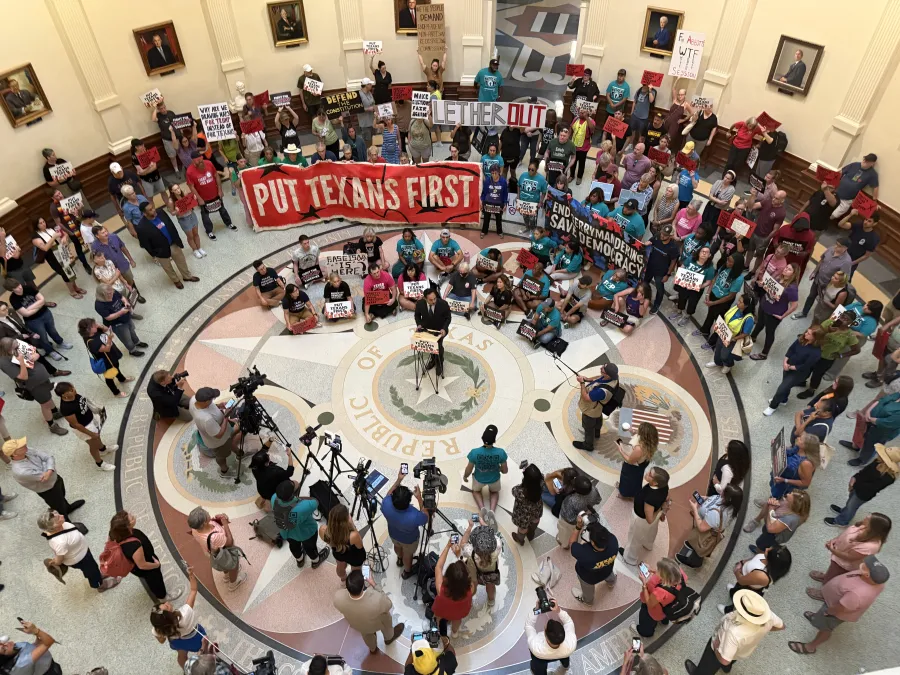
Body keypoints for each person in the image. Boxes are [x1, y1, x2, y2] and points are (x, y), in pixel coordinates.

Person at [789, 555, 888, 656]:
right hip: (833, 601)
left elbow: (840, 608)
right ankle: (816, 618)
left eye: (866, 566)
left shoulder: (857, 594)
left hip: (834, 611)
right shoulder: (876, 581)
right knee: (821, 617)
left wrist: (828, 611)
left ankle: (810, 647)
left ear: (867, 574)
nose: (864, 563)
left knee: (825, 628)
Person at [686, 590, 784, 675]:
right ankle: (726, 669)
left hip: (719, 649)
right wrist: (765, 629)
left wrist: (716, 649)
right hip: (743, 650)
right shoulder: (768, 616)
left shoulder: (733, 631)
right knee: (732, 658)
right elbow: (781, 626)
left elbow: (724, 660)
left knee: (708, 666)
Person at [808, 511, 891, 604]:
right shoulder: (864, 527)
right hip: (838, 556)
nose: (865, 518)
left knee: (834, 577)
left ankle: (824, 594)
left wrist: (832, 550)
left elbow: (849, 557)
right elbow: (846, 534)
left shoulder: (870, 546)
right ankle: (826, 577)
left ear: (874, 527)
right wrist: (835, 541)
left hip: (843, 564)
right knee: (832, 571)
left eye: (868, 519)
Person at [39, 509, 119, 592]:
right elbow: (59, 559)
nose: (62, 515)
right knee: (91, 571)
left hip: (82, 551)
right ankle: (100, 585)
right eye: (58, 518)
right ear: (54, 526)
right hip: (79, 559)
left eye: (58, 514)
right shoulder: (60, 542)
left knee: (93, 568)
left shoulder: (62, 525)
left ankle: (98, 575)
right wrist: (56, 561)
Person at [0, 339, 68, 435]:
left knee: (48, 397)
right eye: (16, 347)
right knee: (45, 404)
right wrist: (22, 362)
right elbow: (23, 377)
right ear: (8, 349)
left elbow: (34, 353)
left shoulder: (17, 347)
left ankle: (55, 412)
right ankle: (52, 425)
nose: (19, 347)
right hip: (34, 385)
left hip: (42, 377)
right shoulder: (4, 362)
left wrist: (34, 356)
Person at [109, 509, 178, 602]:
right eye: (132, 518)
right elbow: (142, 565)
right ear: (127, 526)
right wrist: (156, 565)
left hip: (137, 563)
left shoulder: (116, 534)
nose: (134, 516)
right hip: (146, 566)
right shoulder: (134, 546)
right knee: (155, 580)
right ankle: (163, 597)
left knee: (152, 578)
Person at [3, 438, 84, 516]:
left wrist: (48, 469)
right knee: (58, 507)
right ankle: (67, 524)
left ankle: (68, 508)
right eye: (20, 447)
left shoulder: (27, 450)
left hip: (55, 478)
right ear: (14, 454)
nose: (25, 444)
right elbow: (45, 475)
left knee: (61, 495)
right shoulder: (21, 471)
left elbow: (49, 457)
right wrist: (49, 467)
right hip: (48, 489)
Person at [334, 569, 405, 654]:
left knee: (367, 635)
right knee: (387, 627)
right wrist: (373, 583)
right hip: (379, 622)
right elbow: (388, 604)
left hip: (359, 624)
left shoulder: (338, 597)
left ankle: (372, 649)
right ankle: (388, 638)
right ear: (363, 586)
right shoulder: (376, 599)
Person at [828, 444, 898, 527]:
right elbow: (864, 471)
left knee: (852, 506)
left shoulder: (889, 477)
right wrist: (855, 477)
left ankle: (842, 521)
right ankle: (844, 511)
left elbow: (872, 488)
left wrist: (855, 485)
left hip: (863, 494)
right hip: (857, 485)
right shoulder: (877, 461)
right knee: (850, 501)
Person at [54, 381, 116, 471]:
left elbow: (85, 403)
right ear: (64, 395)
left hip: (90, 421)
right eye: (71, 390)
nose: (74, 390)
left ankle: (103, 449)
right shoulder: (66, 408)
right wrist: (91, 434)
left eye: (73, 388)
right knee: (93, 445)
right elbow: (76, 425)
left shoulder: (74, 395)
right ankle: (100, 464)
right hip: (84, 428)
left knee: (97, 437)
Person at [677, 484, 743, 568]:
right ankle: (693, 545)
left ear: (728, 498)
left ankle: (694, 562)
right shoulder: (731, 505)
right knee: (698, 542)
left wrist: (695, 509)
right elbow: (716, 499)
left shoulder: (715, 514)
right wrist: (707, 499)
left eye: (724, 491)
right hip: (709, 523)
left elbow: (701, 527)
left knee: (701, 546)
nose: (721, 491)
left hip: (707, 532)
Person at [136, 203, 199, 290]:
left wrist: (177, 239)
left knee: (181, 261)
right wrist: (154, 254)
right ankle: (176, 280)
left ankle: (187, 276)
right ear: (144, 213)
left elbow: (171, 225)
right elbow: (145, 243)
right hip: (160, 250)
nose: (153, 210)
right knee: (167, 267)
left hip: (173, 243)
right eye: (150, 210)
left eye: (153, 207)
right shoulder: (141, 227)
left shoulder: (161, 212)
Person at [4, 277, 73, 354]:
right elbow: (26, 314)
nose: (19, 287)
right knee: (42, 337)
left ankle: (60, 343)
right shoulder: (13, 299)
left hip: (45, 313)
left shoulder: (28, 288)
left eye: (19, 284)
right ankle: (50, 351)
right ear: (11, 290)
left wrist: (30, 308)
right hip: (33, 321)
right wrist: (39, 305)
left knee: (52, 330)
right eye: (16, 287)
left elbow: (42, 299)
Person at [718, 543, 792, 616]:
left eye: (769, 550)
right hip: (745, 580)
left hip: (748, 589)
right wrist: (742, 562)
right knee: (737, 588)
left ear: (772, 560)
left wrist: (737, 571)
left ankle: (729, 611)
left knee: (741, 602)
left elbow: (741, 580)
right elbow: (754, 558)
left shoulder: (761, 575)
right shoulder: (768, 558)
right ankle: (732, 592)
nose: (767, 549)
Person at [272, 479, 329, 569]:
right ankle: (315, 561)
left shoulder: (274, 498)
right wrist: (297, 499)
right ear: (292, 495)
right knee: (310, 548)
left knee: (294, 546)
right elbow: (315, 501)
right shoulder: (302, 507)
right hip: (306, 533)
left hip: (287, 533)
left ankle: (300, 560)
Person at [382, 472, 428, 578]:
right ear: (408, 501)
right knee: (408, 555)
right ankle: (407, 571)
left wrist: (399, 480)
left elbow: (389, 494)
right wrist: (420, 499)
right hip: (409, 540)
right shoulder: (414, 515)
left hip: (394, 535)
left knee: (397, 546)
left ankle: (399, 559)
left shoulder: (386, 504)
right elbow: (425, 517)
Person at [750, 263, 799, 362]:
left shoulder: (792, 288)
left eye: (789, 269)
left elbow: (794, 305)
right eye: (786, 267)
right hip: (764, 305)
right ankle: (752, 337)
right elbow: (770, 290)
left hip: (774, 314)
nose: (785, 269)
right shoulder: (778, 278)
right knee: (759, 323)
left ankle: (764, 353)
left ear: (794, 274)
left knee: (769, 332)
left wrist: (782, 316)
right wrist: (762, 284)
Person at [432, 528, 476, 638]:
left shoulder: (440, 589)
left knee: (439, 617)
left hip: (442, 610)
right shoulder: (471, 588)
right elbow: (468, 572)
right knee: (457, 620)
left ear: (447, 578)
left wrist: (447, 547)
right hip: (459, 612)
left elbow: (438, 567)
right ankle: (455, 632)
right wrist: (459, 555)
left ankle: (440, 631)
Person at [622, 467, 670, 566]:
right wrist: (661, 511)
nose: (647, 473)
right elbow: (667, 497)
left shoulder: (650, 498)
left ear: (656, 482)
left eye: (650, 474)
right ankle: (648, 545)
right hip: (655, 515)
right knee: (651, 531)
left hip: (641, 519)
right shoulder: (664, 487)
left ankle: (630, 558)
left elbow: (649, 519)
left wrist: (659, 509)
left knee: (634, 538)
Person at [189, 386, 242, 475]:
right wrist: (226, 416)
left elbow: (209, 407)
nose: (213, 400)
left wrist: (219, 406)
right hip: (219, 442)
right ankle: (224, 470)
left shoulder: (194, 400)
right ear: (206, 401)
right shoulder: (206, 419)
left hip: (225, 435)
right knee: (221, 456)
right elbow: (219, 435)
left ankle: (239, 453)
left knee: (229, 440)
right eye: (212, 399)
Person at [696, 252, 746, 344]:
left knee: (719, 321)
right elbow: (715, 279)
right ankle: (705, 330)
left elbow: (731, 296)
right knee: (710, 314)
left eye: (730, 262)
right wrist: (708, 293)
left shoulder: (739, 278)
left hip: (723, 302)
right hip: (713, 295)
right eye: (728, 260)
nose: (727, 262)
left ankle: (713, 342)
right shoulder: (724, 267)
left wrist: (714, 303)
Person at [30, 216, 85, 299]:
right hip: (53, 258)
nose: (43, 224)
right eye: (40, 223)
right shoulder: (35, 237)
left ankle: (75, 287)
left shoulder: (51, 227)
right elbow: (45, 248)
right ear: (36, 225)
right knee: (65, 274)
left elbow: (64, 233)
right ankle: (72, 291)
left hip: (63, 252)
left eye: (43, 222)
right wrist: (53, 237)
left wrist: (64, 238)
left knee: (70, 270)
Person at [185, 151, 236, 241]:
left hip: (215, 193)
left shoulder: (208, 163)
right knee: (205, 215)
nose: (201, 162)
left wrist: (220, 190)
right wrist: (199, 199)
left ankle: (229, 223)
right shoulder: (189, 171)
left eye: (201, 159)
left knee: (222, 209)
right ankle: (209, 231)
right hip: (203, 198)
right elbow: (191, 187)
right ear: (193, 161)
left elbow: (216, 176)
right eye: (198, 161)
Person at [631, 557, 686, 638]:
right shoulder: (680, 575)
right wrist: (653, 571)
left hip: (656, 611)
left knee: (647, 619)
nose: (656, 572)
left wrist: (644, 584)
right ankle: (664, 621)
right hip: (670, 606)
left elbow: (649, 603)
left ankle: (645, 631)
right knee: (665, 613)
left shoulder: (661, 592)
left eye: (658, 570)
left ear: (664, 577)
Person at [573, 363, 619, 452]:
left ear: (607, 375)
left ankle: (588, 445)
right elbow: (598, 380)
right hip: (598, 408)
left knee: (589, 427)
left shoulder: (601, 391)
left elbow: (586, 398)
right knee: (598, 418)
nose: (600, 368)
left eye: (603, 370)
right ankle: (597, 433)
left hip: (591, 409)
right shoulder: (614, 378)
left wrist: (582, 382)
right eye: (603, 366)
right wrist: (587, 379)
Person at [707, 293, 756, 375]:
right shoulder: (736, 308)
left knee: (725, 355)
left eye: (740, 302)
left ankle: (728, 364)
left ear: (746, 305)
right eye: (738, 300)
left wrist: (733, 339)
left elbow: (745, 333)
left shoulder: (749, 318)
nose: (738, 303)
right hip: (724, 333)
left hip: (733, 339)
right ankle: (717, 362)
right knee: (718, 349)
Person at [570, 520, 619, 605]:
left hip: (588, 578)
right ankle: (611, 582)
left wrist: (578, 527)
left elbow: (572, 544)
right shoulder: (614, 541)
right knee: (609, 573)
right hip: (607, 569)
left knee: (587, 589)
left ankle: (588, 601)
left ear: (592, 542)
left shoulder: (584, 554)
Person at [525, 597, 576, 675]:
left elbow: (529, 625)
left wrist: (537, 610)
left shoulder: (535, 646)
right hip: (564, 653)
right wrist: (558, 610)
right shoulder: (571, 644)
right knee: (565, 659)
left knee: (538, 668)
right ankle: (565, 666)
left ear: (545, 635)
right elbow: (568, 622)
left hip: (540, 658)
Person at [463, 424, 508, 512]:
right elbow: (505, 471)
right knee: (494, 492)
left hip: (478, 479)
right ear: (494, 440)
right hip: (494, 480)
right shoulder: (501, 453)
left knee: (476, 491)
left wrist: (465, 476)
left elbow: (469, 469)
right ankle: (492, 510)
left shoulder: (474, 452)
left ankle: (482, 508)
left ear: (482, 438)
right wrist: (500, 469)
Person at [91, 225, 142, 297]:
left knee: (130, 280)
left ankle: (136, 295)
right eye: (103, 233)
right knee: (117, 286)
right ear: (97, 236)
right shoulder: (95, 246)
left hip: (123, 265)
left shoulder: (114, 237)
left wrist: (131, 260)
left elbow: (123, 247)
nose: (106, 233)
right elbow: (95, 258)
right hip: (110, 270)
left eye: (106, 231)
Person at [670, 246, 715, 328]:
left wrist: (698, 286)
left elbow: (708, 282)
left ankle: (687, 316)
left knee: (692, 304)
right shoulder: (691, 259)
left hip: (696, 290)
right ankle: (679, 311)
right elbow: (682, 267)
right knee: (681, 298)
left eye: (706, 252)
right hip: (684, 285)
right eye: (702, 251)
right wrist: (679, 276)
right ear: (699, 252)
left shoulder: (710, 268)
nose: (704, 253)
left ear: (709, 255)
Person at [319, 503, 365, 582]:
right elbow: (360, 545)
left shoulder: (323, 530)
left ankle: (343, 580)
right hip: (354, 556)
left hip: (339, 554)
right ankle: (357, 582)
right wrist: (352, 524)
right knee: (356, 570)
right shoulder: (353, 536)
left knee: (340, 567)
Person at [94, 284, 145, 355]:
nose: (112, 294)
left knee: (132, 331)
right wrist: (121, 312)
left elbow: (122, 297)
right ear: (103, 295)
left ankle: (137, 342)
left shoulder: (112, 291)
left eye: (112, 291)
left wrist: (126, 302)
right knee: (126, 338)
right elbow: (108, 317)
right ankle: (132, 350)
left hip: (126, 317)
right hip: (117, 324)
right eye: (109, 294)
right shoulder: (99, 305)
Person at [556, 475, 601, 549]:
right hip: (583, 518)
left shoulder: (571, 500)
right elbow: (598, 500)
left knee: (565, 533)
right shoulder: (594, 490)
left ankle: (565, 544)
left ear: (575, 488)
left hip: (571, 522)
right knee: (578, 532)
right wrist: (587, 512)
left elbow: (569, 519)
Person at [616, 422, 658, 499]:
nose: (637, 430)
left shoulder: (639, 448)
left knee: (627, 479)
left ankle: (624, 494)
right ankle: (632, 491)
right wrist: (633, 432)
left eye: (639, 430)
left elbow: (630, 461)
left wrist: (620, 450)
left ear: (643, 435)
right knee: (636, 479)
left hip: (633, 467)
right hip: (642, 463)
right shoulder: (651, 441)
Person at [644, 225, 680, 314]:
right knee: (644, 283)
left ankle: (657, 304)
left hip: (661, 272)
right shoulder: (657, 236)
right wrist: (646, 243)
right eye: (662, 233)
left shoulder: (673, 247)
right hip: (650, 267)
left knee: (660, 289)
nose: (662, 236)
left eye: (665, 235)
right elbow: (649, 241)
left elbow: (673, 261)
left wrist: (667, 274)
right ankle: (645, 296)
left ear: (670, 236)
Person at [831, 153, 879, 220]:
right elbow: (841, 172)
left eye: (868, 161)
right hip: (836, 192)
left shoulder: (872, 174)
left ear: (872, 163)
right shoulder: (854, 165)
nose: (865, 162)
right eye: (865, 159)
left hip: (847, 199)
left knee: (835, 214)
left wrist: (874, 201)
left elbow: (875, 187)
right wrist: (832, 182)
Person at [415, 287, 451, 374]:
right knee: (430, 346)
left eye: (435, 298)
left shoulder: (443, 304)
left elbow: (448, 318)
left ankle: (439, 362)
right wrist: (419, 324)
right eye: (431, 300)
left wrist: (444, 328)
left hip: (440, 330)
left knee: (438, 346)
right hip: (427, 329)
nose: (434, 301)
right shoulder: (420, 304)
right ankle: (433, 360)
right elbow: (417, 315)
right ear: (425, 298)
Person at [166, 183, 204, 259]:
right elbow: (172, 213)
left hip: (191, 215)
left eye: (178, 188)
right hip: (183, 219)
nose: (178, 190)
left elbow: (190, 201)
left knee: (196, 233)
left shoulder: (184, 193)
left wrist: (194, 198)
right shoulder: (171, 201)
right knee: (190, 236)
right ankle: (195, 250)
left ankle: (199, 248)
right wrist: (176, 211)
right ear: (171, 191)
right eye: (175, 190)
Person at [510, 463, 544, 544]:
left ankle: (520, 539)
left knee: (523, 528)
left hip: (523, 514)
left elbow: (513, 490)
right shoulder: (541, 483)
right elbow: (537, 477)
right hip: (537, 509)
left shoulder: (520, 492)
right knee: (535, 520)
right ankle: (531, 533)